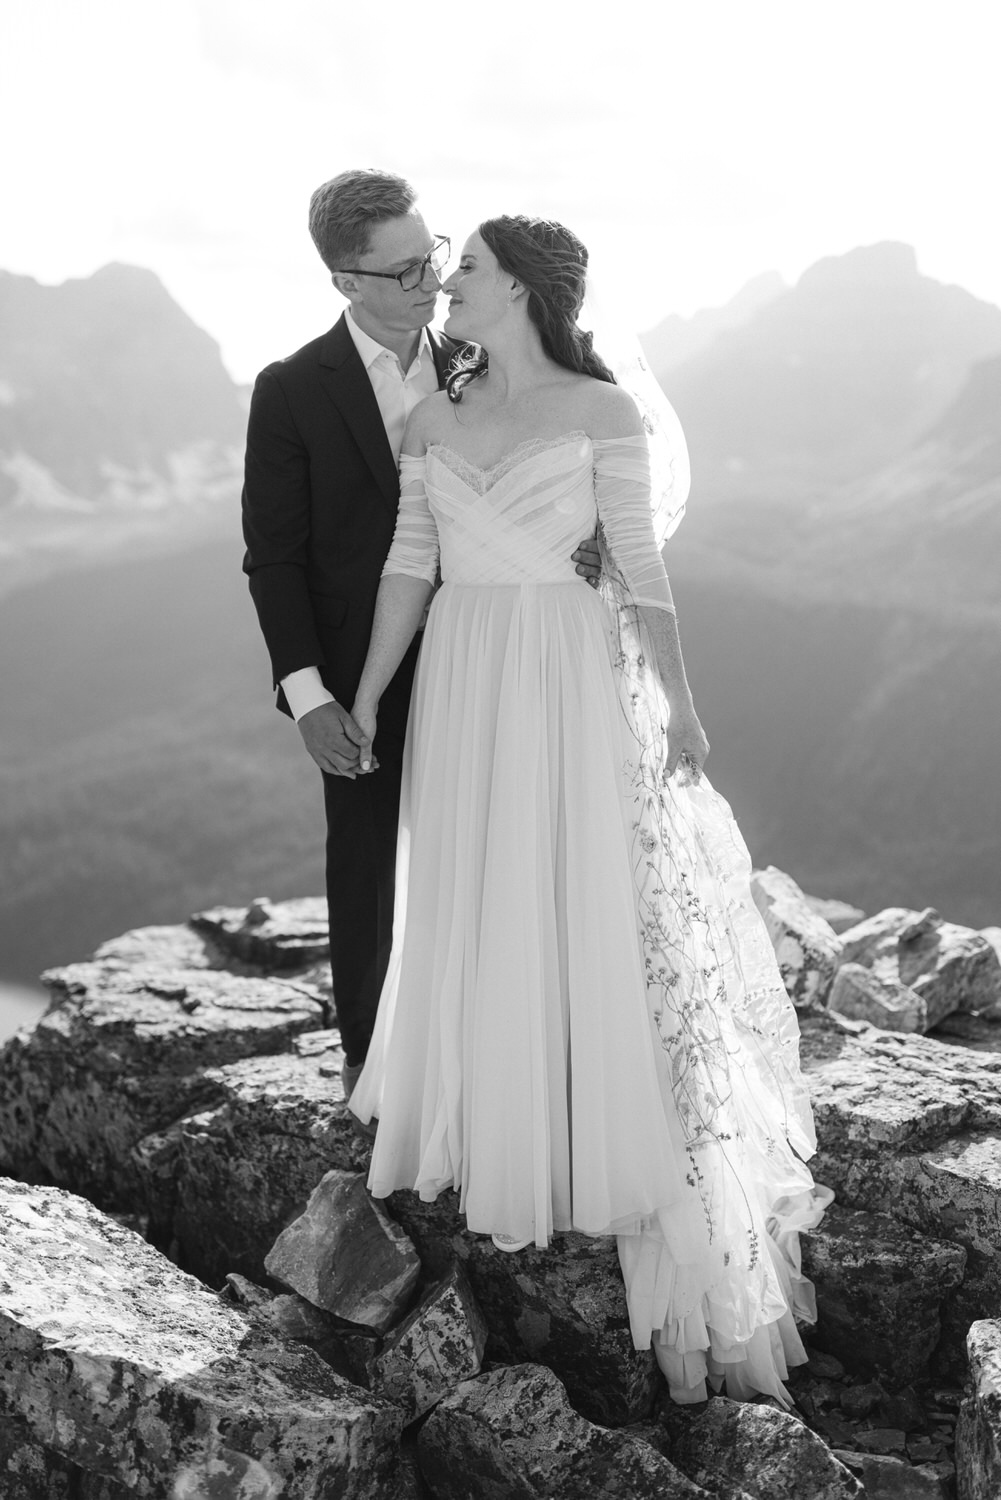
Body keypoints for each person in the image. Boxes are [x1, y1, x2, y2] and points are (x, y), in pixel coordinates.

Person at [348, 213, 830, 1407]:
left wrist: (681, 706)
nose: (445, 287)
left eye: (464, 272)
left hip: (567, 673)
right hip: (462, 674)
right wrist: (362, 692)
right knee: (471, 884)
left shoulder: (603, 413)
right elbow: (409, 564)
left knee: (574, 887)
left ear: (519, 290)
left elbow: (637, 565)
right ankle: (484, 1119)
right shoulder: (431, 418)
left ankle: (579, 1128)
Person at [242, 170, 603, 1095]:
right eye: (402, 271)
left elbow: (565, 469)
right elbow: (273, 559)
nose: (430, 285)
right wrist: (310, 697)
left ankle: (503, 1058)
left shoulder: (485, 359)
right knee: (363, 860)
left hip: (496, 656)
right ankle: (369, 1064)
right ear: (344, 282)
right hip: (363, 669)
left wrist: (580, 541)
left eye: (433, 258)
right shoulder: (290, 390)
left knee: (500, 842)